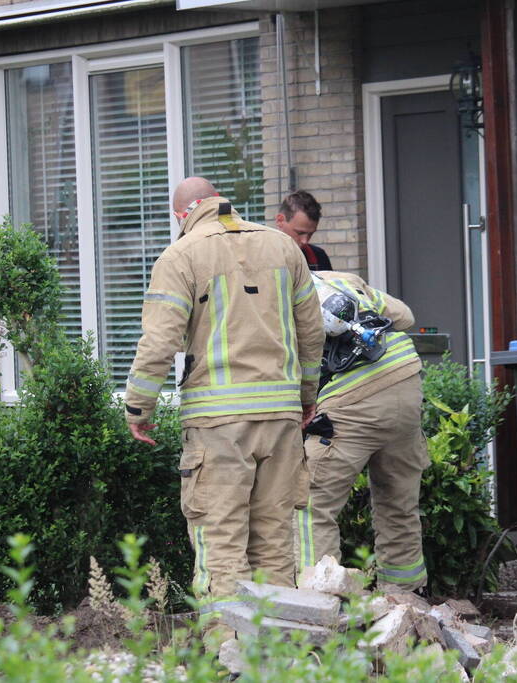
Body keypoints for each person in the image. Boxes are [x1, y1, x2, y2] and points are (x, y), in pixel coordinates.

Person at [125, 176, 325, 613]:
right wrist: (307, 395)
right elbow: (312, 330)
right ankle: (278, 655)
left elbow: (159, 342)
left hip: (217, 427)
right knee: (275, 544)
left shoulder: (180, 255)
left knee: (222, 542)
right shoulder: (283, 247)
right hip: (281, 417)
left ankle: (228, 655)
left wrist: (139, 407)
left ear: (182, 214)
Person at [296, 270, 430, 593]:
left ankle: (321, 605)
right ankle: (407, 599)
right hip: (406, 384)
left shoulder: (281, 296)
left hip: (352, 402)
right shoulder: (343, 280)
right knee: (398, 502)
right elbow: (406, 317)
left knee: (310, 503)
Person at [275, 190, 332, 271]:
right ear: (280, 220)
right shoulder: (258, 256)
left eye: (310, 234)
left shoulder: (319, 257)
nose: (305, 241)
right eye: (300, 233)